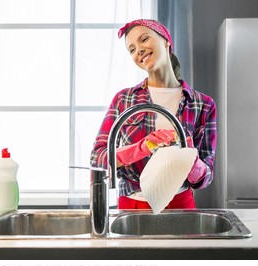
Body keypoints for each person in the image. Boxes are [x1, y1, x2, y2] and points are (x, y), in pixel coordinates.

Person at [90, 19, 217, 210]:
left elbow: (205, 177)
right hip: (132, 206)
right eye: (131, 49)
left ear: (166, 41)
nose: (138, 50)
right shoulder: (124, 100)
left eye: (144, 39)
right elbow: (98, 158)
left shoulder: (203, 104)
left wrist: (192, 162)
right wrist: (142, 147)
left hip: (180, 205)